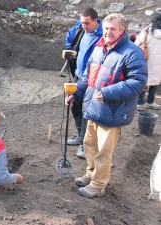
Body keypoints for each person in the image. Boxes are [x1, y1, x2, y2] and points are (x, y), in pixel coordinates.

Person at [66, 13, 147, 198]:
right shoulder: (99, 48)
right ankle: (91, 173)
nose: (108, 32)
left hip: (112, 112)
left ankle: (98, 185)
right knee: (89, 144)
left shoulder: (132, 53)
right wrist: (76, 93)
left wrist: (109, 92)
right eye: (107, 28)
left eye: (113, 29)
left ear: (122, 30)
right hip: (93, 106)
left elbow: (138, 82)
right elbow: (88, 76)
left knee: (103, 151)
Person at [65, 8, 103, 158]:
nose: (84, 26)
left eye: (87, 23)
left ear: (95, 21)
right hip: (79, 75)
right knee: (75, 106)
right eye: (82, 23)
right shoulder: (80, 30)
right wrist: (69, 50)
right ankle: (80, 135)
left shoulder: (102, 36)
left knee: (87, 110)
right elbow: (70, 36)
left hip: (93, 79)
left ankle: (84, 144)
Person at [135, 13, 161, 110]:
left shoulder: (146, 32)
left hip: (145, 60)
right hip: (158, 62)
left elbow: (136, 45)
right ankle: (150, 101)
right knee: (155, 80)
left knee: (143, 80)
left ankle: (140, 102)